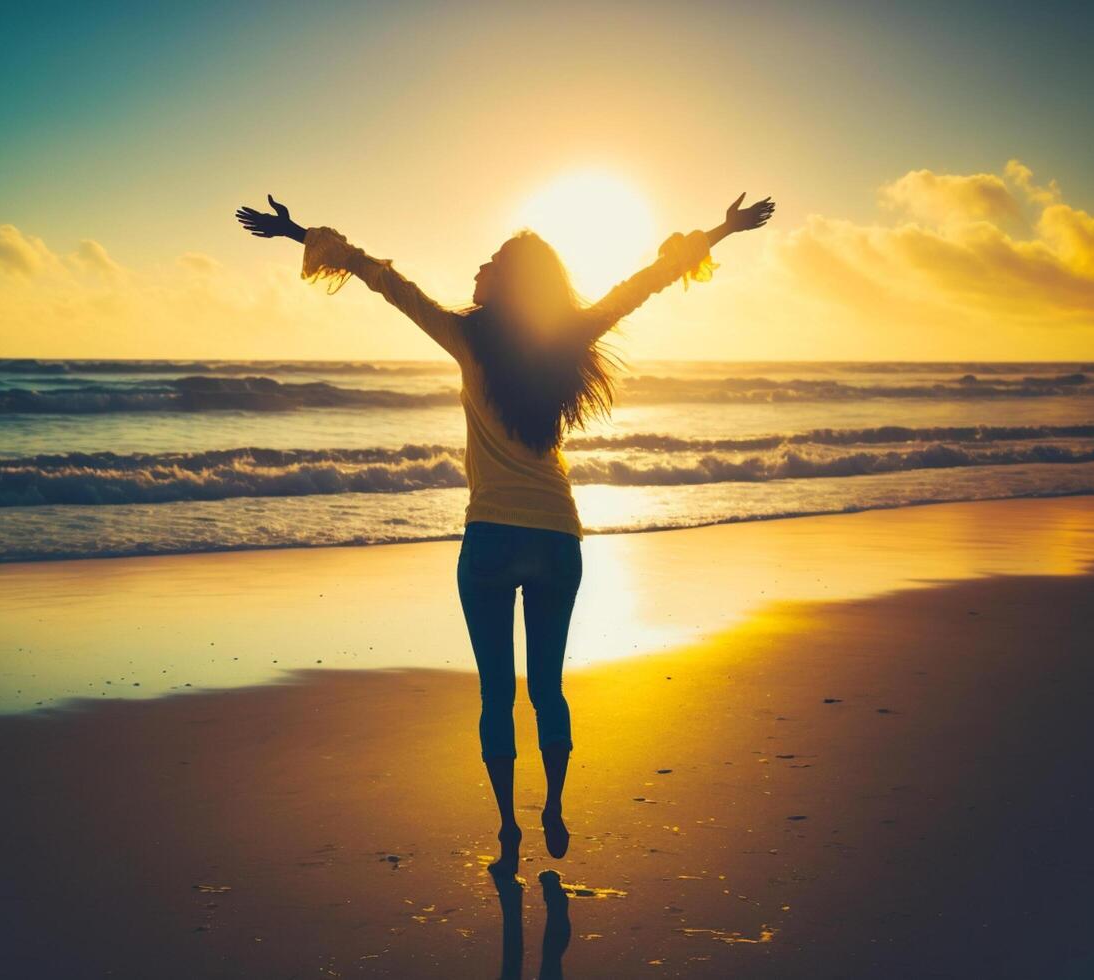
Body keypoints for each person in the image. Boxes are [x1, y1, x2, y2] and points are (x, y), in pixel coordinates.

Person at [235, 189, 775, 875]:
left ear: (508, 281)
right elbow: (646, 283)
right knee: (546, 688)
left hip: (489, 539)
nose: (480, 268)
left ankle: (504, 830)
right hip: (557, 538)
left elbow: (379, 277)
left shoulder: (464, 337)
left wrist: (298, 234)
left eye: (491, 261)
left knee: (497, 694)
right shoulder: (567, 339)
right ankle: (552, 807)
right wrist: (721, 231)